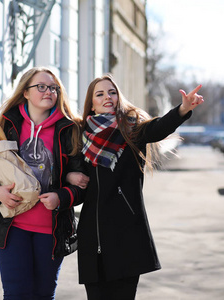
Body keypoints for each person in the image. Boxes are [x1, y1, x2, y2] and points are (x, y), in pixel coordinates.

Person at [76, 74, 204, 299]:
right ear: (92, 104)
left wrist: (182, 109)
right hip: (92, 236)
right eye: (100, 94)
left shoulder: (131, 129)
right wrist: (70, 179)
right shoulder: (81, 136)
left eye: (112, 92)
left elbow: (158, 127)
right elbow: (74, 174)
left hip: (125, 233)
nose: (107, 97)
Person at [0, 66, 87, 299]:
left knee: (43, 295)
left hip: (52, 229)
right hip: (12, 227)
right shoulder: (7, 126)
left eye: (53, 88)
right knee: (17, 294)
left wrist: (62, 196)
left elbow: (81, 185)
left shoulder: (70, 130)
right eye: (41, 87)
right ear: (25, 92)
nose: (48, 92)